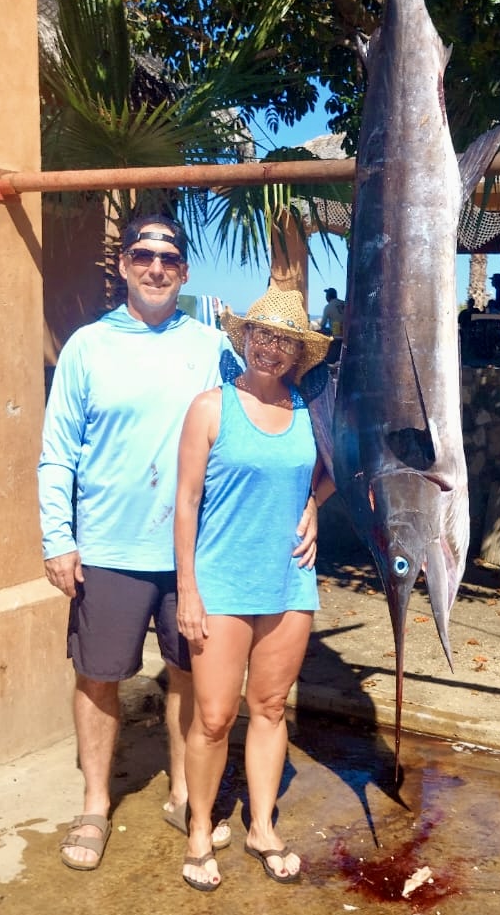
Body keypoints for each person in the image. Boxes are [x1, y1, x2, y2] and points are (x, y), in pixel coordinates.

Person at [38, 216, 320, 871]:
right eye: (144, 253)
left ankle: (184, 792)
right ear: (125, 263)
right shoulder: (87, 346)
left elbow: (264, 419)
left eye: (170, 256)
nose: (157, 266)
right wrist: (59, 537)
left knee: (189, 678)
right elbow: (57, 453)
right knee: (100, 675)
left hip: (200, 556)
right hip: (110, 543)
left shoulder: (214, 348)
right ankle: (94, 803)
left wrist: (310, 502)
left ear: (185, 271)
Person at [174, 288, 333, 892]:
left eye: (283, 339)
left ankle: (262, 827)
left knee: (269, 709)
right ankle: (198, 829)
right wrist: (188, 589)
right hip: (220, 583)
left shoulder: (310, 411)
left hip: (290, 581)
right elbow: (185, 504)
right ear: (243, 339)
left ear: (298, 352)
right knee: (214, 717)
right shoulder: (210, 407)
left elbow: (340, 469)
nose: (270, 347)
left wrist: (315, 506)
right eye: (261, 335)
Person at [319, 286, 345, 364]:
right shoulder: (343, 303)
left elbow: (322, 324)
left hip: (336, 334)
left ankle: (326, 358)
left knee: (321, 331)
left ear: (328, 296)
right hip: (347, 332)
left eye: (326, 295)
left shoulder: (328, 307)